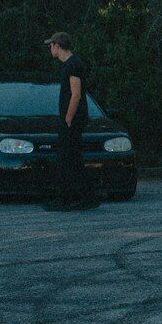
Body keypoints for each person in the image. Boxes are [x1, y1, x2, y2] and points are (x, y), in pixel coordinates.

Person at [44, 31, 98, 211]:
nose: (50, 49)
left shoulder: (73, 65)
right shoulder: (69, 65)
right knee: (70, 159)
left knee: (68, 158)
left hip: (73, 119)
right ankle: (78, 197)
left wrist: (68, 118)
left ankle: (73, 198)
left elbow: (76, 94)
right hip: (72, 119)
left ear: (57, 46)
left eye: (51, 45)